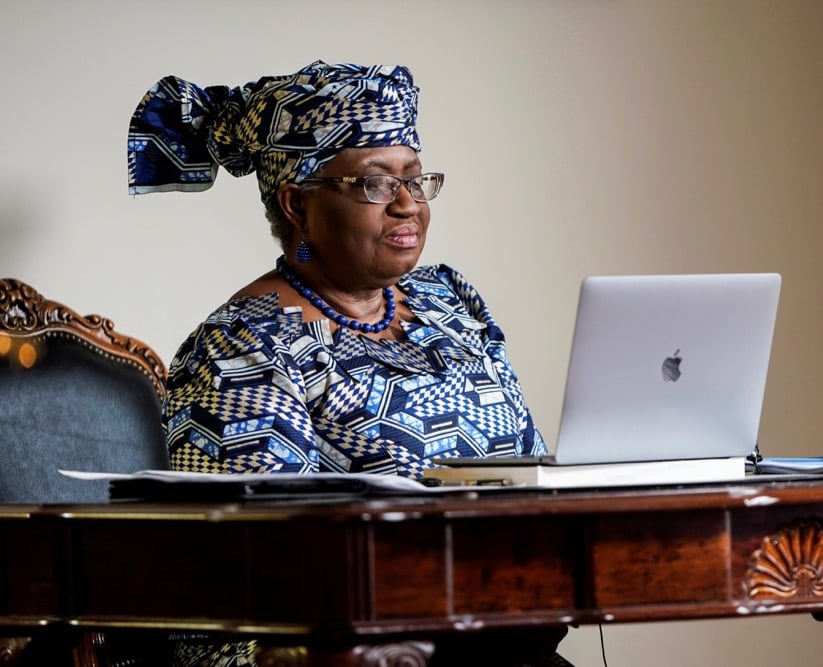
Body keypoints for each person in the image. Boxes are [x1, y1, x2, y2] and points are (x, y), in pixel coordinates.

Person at [128, 61, 571, 667]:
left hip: (503, 632)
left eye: (416, 180)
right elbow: (255, 579)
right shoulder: (242, 348)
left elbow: (527, 469)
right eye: (375, 184)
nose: (408, 206)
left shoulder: (447, 305)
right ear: (297, 204)